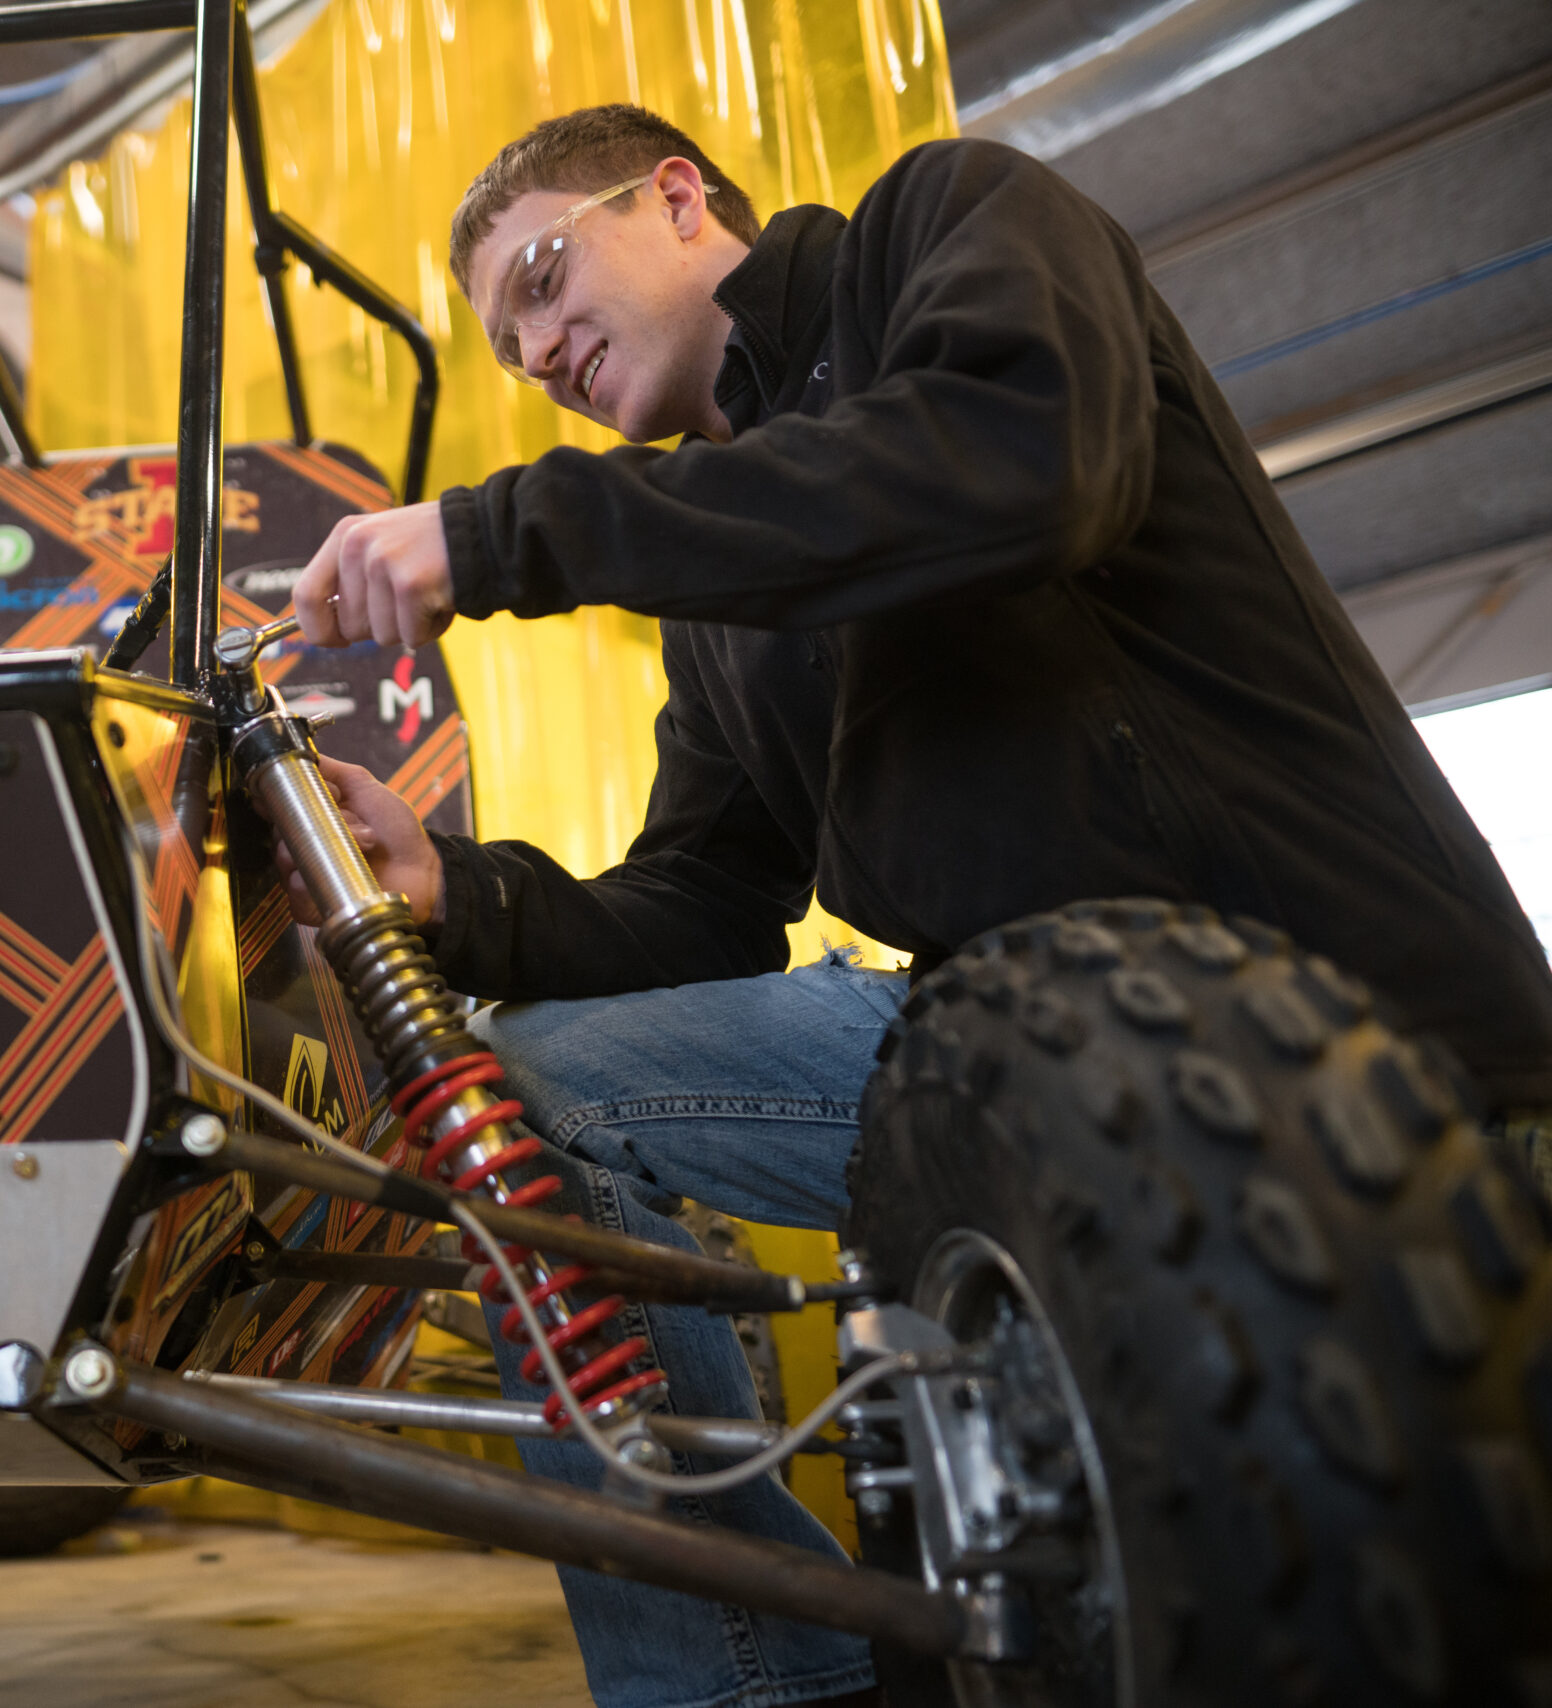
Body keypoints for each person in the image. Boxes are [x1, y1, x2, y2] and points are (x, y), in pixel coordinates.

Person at [283, 105, 1552, 1708]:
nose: (535, 349)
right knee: (519, 1086)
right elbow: (703, 907)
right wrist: (448, 887)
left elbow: (1026, 463)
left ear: (677, 199)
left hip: (1310, 1018)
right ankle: (756, 1681)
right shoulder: (717, 595)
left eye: (542, 278)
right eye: (506, 343)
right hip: (995, 1053)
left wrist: (510, 531)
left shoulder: (945, 226)